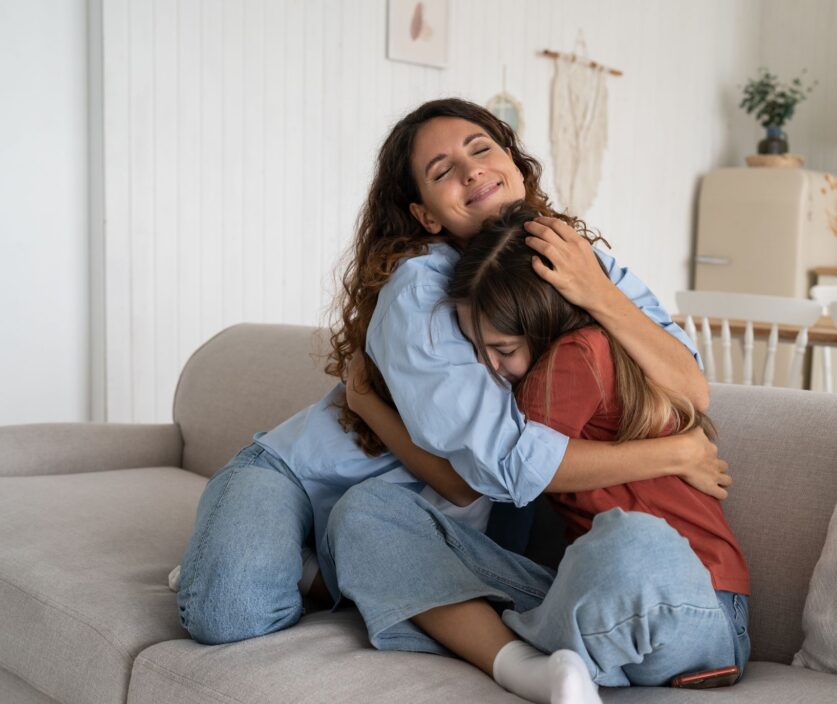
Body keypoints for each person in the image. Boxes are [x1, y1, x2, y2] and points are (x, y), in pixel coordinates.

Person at [175, 98, 727, 647]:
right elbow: (493, 469)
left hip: (409, 520)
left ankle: (318, 571)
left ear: (514, 161)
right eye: (442, 172)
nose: (471, 170)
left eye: (482, 148)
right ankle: (251, 555)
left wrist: (597, 293)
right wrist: (678, 453)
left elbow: (691, 389)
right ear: (427, 215)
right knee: (229, 612)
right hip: (308, 473)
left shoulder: (581, 260)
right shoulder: (423, 285)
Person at [335, 203, 750, 704]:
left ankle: (502, 641)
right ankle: (539, 664)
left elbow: (515, 477)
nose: (491, 367)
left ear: (542, 321)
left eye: (503, 349)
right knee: (367, 509)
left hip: (694, 605)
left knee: (631, 538)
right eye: (477, 350)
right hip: (589, 600)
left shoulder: (576, 357)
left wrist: (369, 406)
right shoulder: (575, 354)